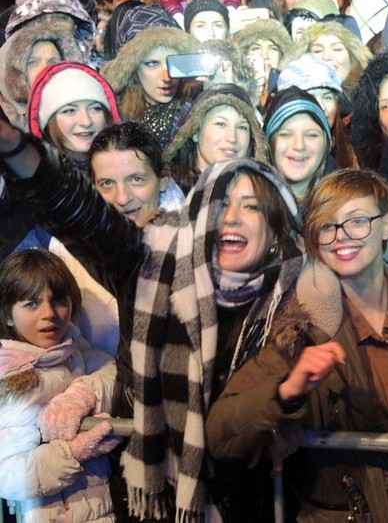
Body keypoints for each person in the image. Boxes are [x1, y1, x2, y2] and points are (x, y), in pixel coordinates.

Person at [0, 119, 303, 521]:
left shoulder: (290, 292)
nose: (230, 218)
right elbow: (73, 208)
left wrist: (291, 411)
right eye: (222, 204)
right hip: (153, 490)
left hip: (246, 493)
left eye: (249, 207)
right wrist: (13, 145)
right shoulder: (147, 262)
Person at [205, 169, 388, 523]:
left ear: (387, 225)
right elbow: (221, 435)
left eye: (358, 221)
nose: (341, 237)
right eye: (327, 226)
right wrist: (285, 393)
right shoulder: (304, 326)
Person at [0, 249, 121, 523]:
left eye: (59, 300)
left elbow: (111, 370)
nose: (50, 314)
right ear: (7, 314)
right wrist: (73, 453)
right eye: (31, 303)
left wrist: (84, 393)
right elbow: (10, 477)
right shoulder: (7, 379)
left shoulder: (73, 348)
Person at [101, 27, 202, 148]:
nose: (167, 77)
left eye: (175, 64)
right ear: (133, 69)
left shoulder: (194, 114)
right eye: (152, 63)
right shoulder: (111, 115)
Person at [165, 84, 268, 194]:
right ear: (195, 132)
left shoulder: (262, 195)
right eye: (221, 124)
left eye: (242, 127)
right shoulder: (167, 190)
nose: (232, 138)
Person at [26, 62, 120, 169]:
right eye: (70, 111)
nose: (86, 122)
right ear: (48, 122)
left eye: (95, 108)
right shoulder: (34, 179)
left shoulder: (128, 165)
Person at [89, 122, 184, 226]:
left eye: (136, 179)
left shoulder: (192, 238)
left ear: (163, 181)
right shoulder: (81, 236)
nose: (122, 199)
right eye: (107, 183)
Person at [263, 87, 333, 205]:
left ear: (327, 143)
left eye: (311, 135)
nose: (299, 146)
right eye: (285, 135)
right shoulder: (248, 206)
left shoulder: (347, 204)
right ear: (269, 143)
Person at [282, 21, 371, 95]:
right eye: (318, 51)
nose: (326, 57)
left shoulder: (371, 98)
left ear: (353, 58)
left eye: (337, 49)